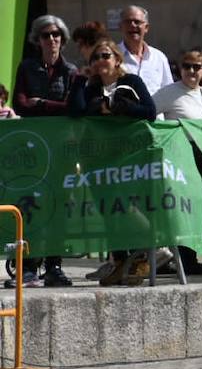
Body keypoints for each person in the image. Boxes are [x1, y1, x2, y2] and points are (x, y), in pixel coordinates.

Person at [69, 37, 158, 287]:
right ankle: (120, 261)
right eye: (95, 57)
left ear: (117, 59)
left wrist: (120, 107)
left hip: (128, 156)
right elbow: (75, 110)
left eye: (105, 56)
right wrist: (79, 79)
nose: (100, 61)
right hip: (97, 159)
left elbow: (149, 111)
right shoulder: (92, 87)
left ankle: (147, 249)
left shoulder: (131, 82)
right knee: (108, 209)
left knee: (126, 203)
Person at [12, 16, 79, 286]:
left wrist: (41, 103)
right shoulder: (27, 67)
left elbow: (73, 107)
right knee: (33, 206)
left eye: (56, 35)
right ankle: (28, 266)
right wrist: (54, 105)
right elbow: (21, 104)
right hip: (33, 148)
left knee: (60, 206)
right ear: (37, 40)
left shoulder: (72, 70)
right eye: (45, 35)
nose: (51, 40)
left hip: (61, 147)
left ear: (62, 39)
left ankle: (54, 265)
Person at [154, 50, 202, 276]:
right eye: (186, 66)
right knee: (186, 206)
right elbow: (149, 112)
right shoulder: (169, 93)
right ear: (180, 68)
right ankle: (186, 259)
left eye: (196, 67)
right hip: (182, 156)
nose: (191, 71)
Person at [117, 5, 175, 95]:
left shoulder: (159, 57)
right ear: (120, 27)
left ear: (146, 28)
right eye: (128, 22)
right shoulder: (112, 56)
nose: (132, 25)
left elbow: (168, 91)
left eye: (137, 22)